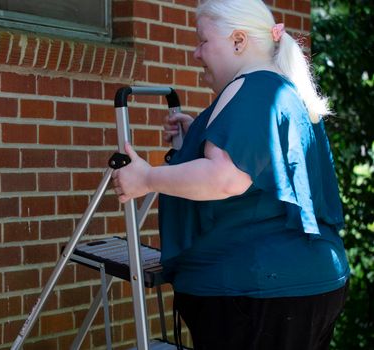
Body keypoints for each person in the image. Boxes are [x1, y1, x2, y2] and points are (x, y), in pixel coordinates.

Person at [111, 0, 350, 349]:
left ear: (238, 41)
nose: (196, 53)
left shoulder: (253, 87)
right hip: (296, 286)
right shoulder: (283, 90)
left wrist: (146, 178)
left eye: (203, 41)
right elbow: (261, 172)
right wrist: (198, 136)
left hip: (257, 292)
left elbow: (224, 178)